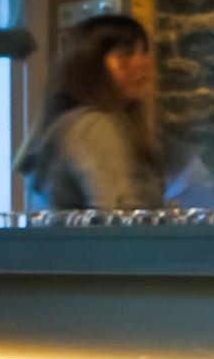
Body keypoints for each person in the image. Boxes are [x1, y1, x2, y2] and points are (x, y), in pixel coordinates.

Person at [16, 14, 167, 212]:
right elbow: (117, 216)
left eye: (144, 52)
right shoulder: (95, 125)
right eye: (126, 54)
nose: (144, 63)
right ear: (90, 66)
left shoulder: (73, 123)